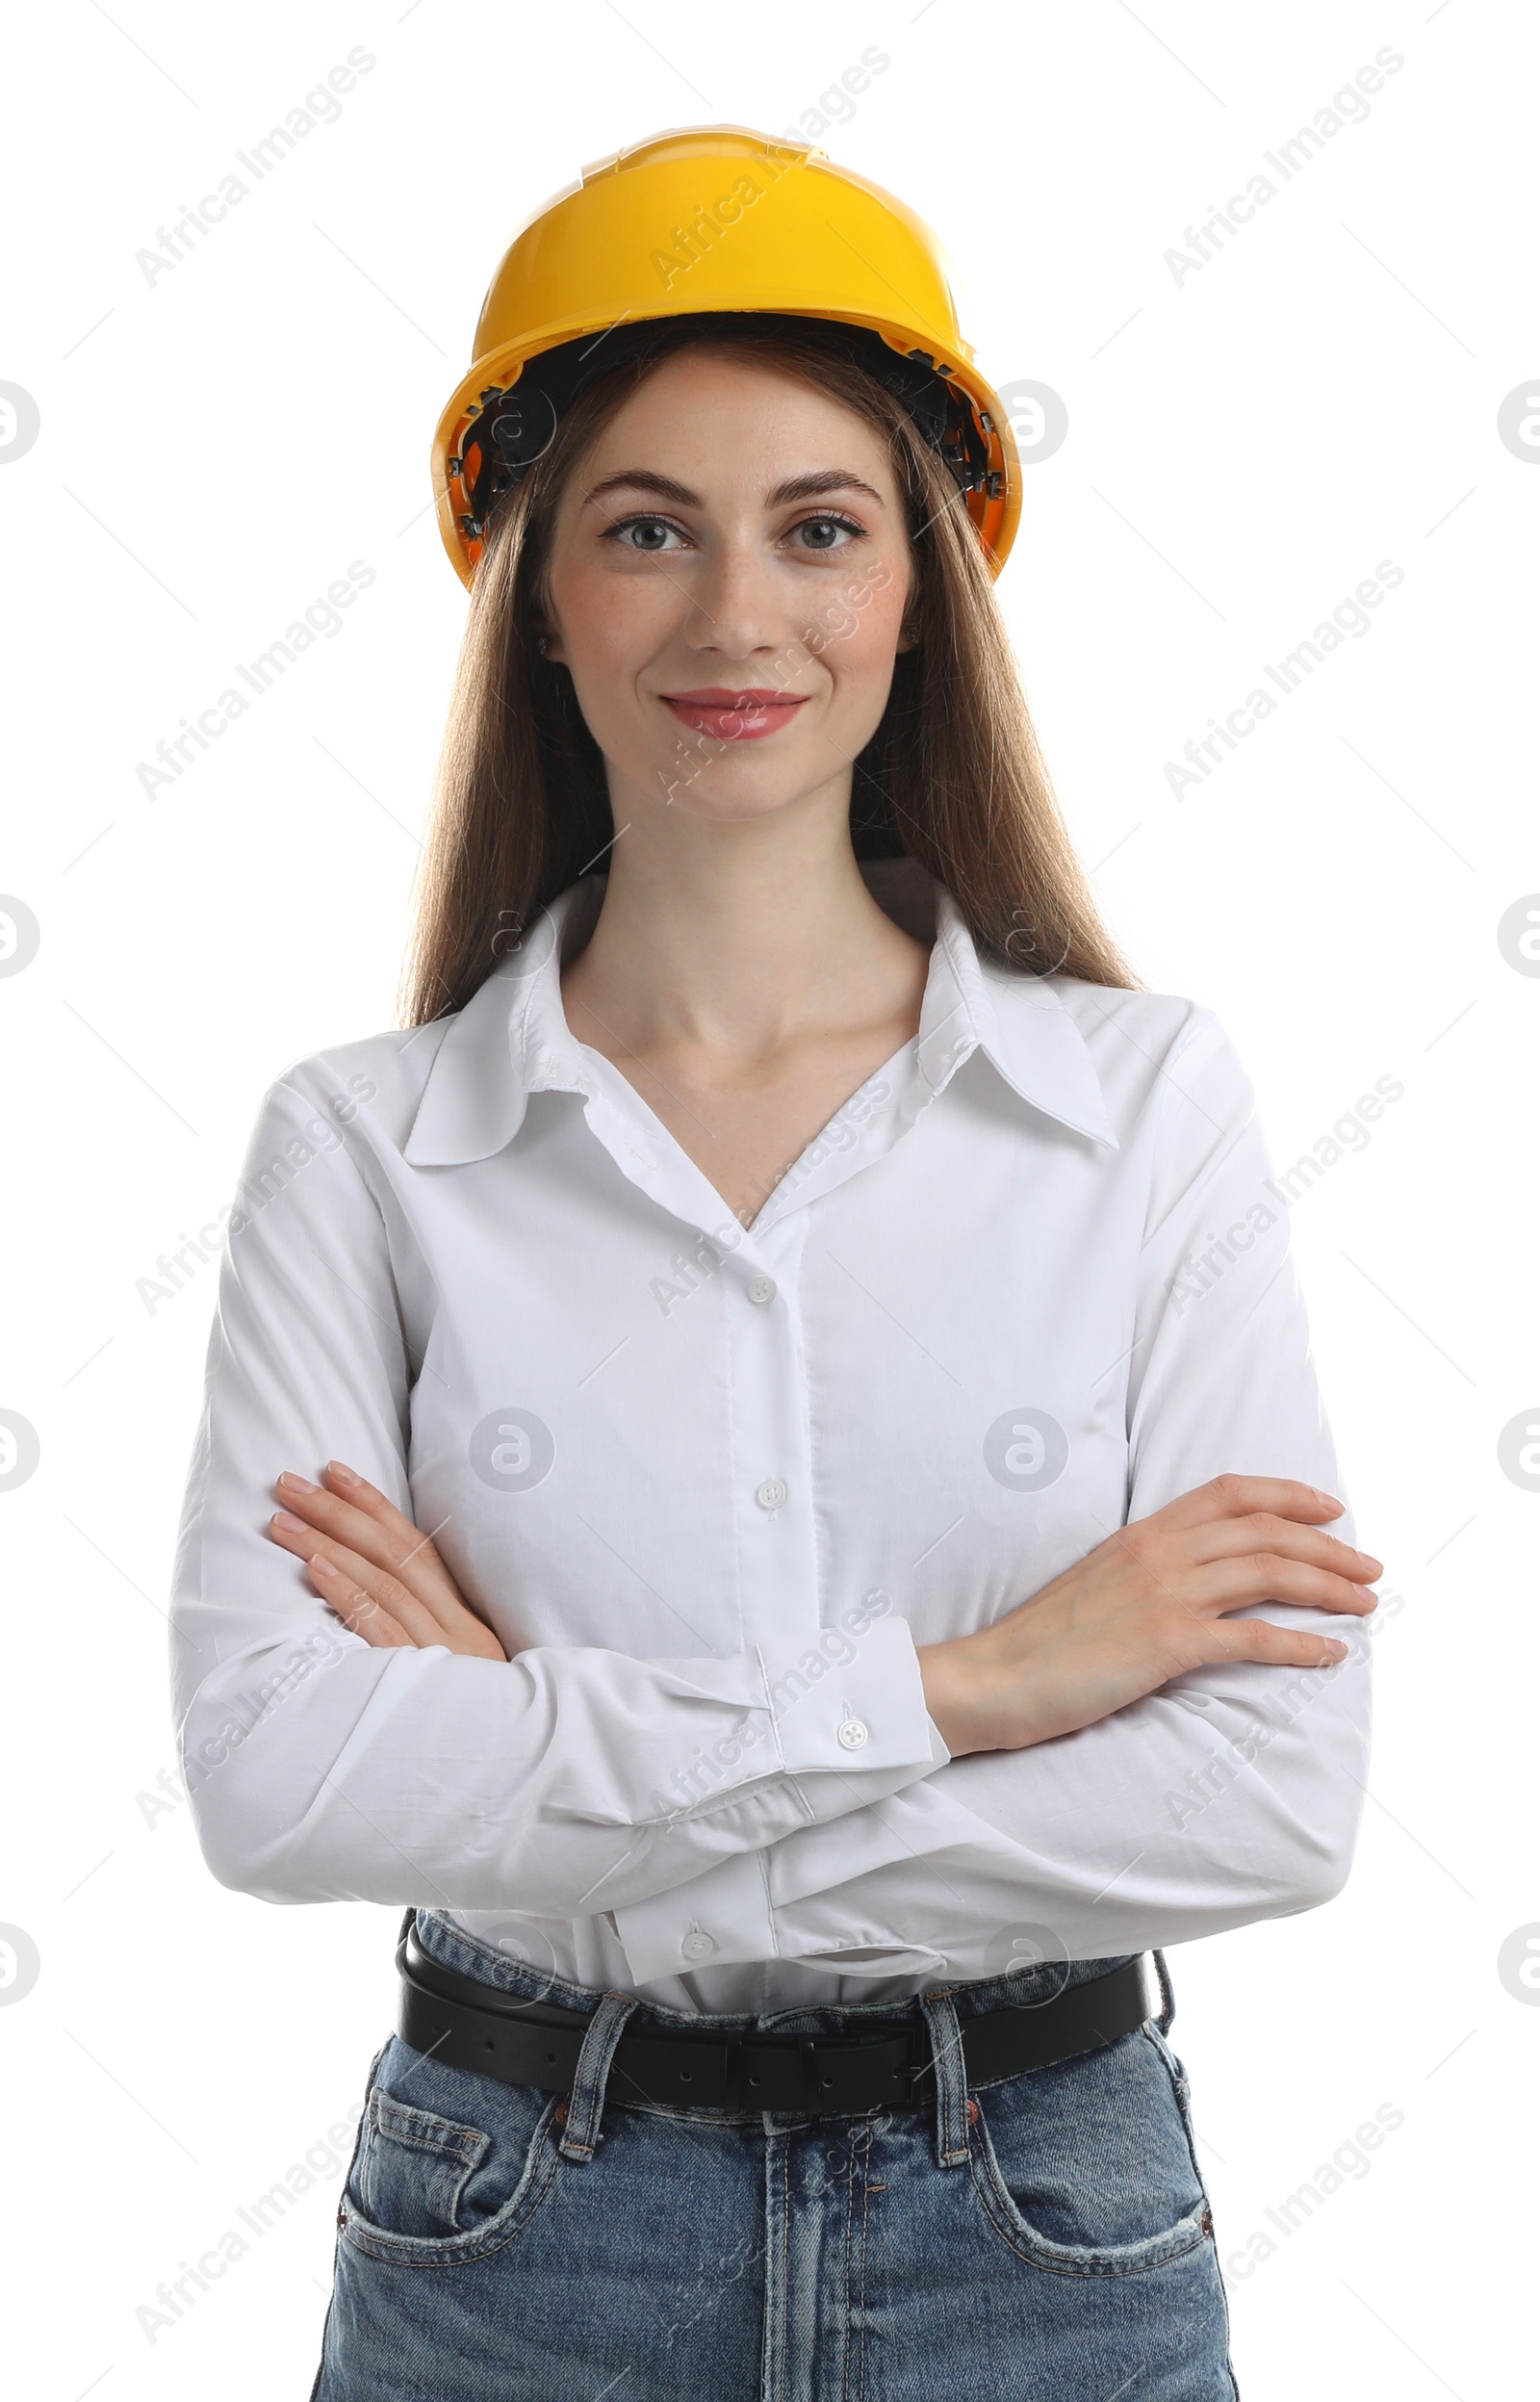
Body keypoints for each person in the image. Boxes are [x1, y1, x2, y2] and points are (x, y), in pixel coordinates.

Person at [168, 128, 1378, 2401]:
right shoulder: (364, 1149)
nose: (738, 618)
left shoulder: (1139, 1109)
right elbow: (280, 1773)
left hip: (1040, 2220)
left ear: (916, 585)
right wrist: (976, 1684)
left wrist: (574, 1824)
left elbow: (1264, 1793)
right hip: (516, 2234)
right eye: (648, 530)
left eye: (816, 529)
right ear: (539, 588)